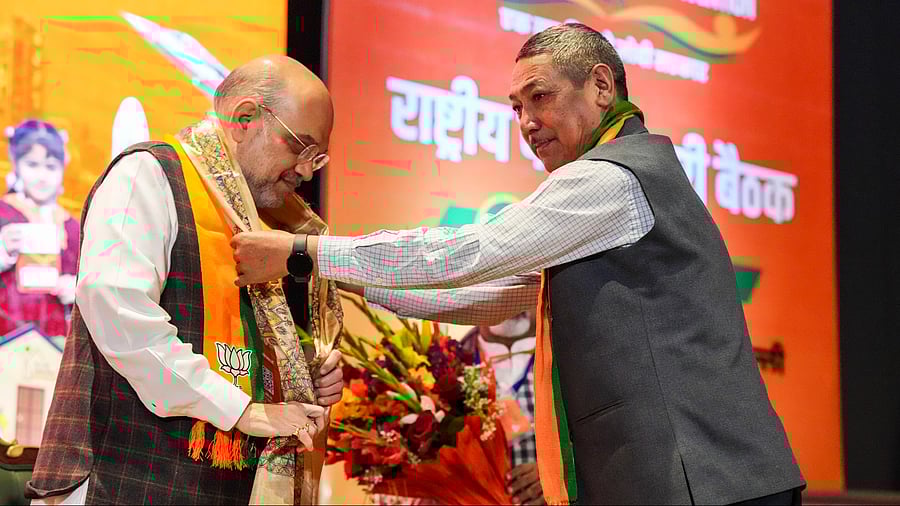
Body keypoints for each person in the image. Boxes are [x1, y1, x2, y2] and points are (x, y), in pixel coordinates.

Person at [232, 24, 807, 505]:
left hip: (706, 481)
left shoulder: (610, 179)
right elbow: (488, 296)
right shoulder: (616, 187)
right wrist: (323, 270)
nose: (526, 121)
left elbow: (466, 254)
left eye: (541, 97)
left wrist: (305, 251)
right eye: (515, 107)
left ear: (601, 86)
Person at [25, 55, 345, 505]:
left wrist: (308, 371)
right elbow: (121, 315)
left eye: (319, 156)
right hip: (125, 477)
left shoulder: (279, 224)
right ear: (244, 117)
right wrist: (244, 412)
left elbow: (254, 351)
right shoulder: (150, 175)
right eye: (300, 147)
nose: (308, 171)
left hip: (222, 485)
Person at [0, 120, 78, 337]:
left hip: (58, 343)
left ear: (63, 168)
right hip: (6, 339)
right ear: (16, 165)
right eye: (32, 165)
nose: (42, 176)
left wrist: (78, 289)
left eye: (51, 166)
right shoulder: (3, 213)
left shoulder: (73, 228)